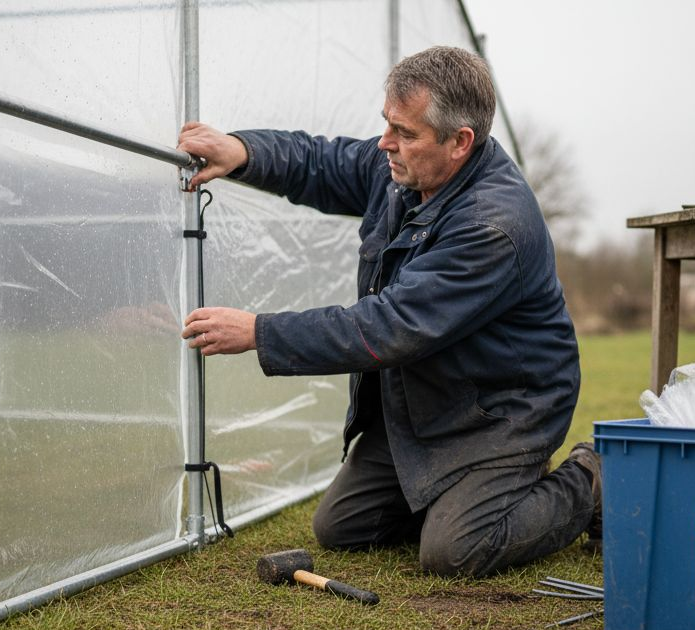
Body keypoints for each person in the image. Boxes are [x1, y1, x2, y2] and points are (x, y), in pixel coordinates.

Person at [177, 46, 600, 577]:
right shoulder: (406, 172)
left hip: (504, 411)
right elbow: (321, 162)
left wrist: (261, 332)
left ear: (459, 142)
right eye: (386, 124)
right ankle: (457, 496)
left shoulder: (492, 227)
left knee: (455, 552)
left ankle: (588, 480)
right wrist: (243, 150)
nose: (386, 144)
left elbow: (389, 327)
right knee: (341, 527)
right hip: (428, 403)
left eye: (405, 133)